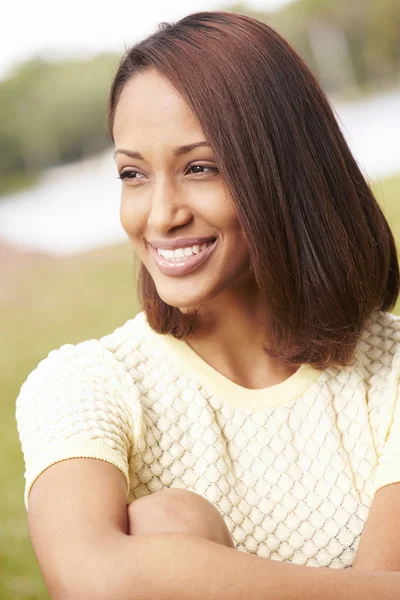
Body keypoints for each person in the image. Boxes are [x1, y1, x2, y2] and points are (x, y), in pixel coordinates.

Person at [15, 10, 400, 600]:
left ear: (284, 171)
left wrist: (175, 572)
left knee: (162, 527)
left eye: (200, 168)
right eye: (133, 174)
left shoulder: (390, 375)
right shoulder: (86, 386)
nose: (161, 214)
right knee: (168, 517)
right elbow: (95, 580)